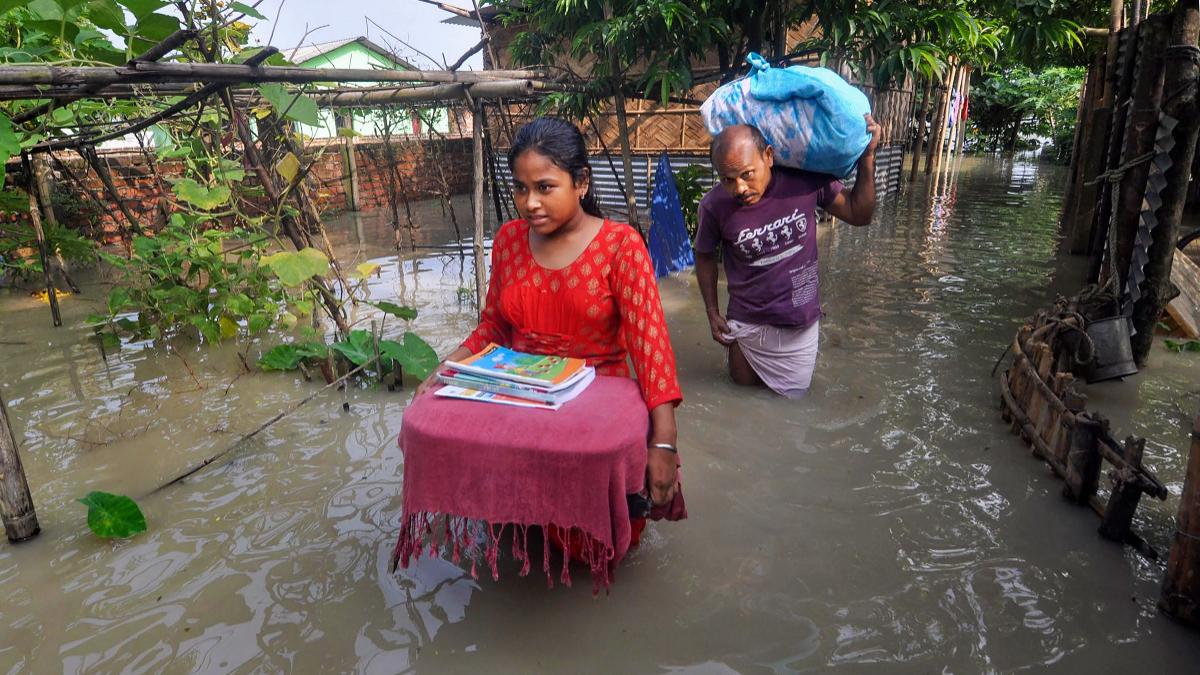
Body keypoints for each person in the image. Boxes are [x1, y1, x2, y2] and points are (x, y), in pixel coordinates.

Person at [417, 117, 682, 525]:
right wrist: (449, 367)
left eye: (545, 187)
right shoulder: (508, 240)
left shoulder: (620, 246)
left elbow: (651, 351)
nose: (530, 203)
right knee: (518, 525)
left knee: (589, 534)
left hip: (597, 410)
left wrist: (663, 443)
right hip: (521, 401)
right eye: (521, 188)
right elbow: (494, 327)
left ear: (582, 183)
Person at [693, 116, 880, 398]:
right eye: (727, 180)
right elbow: (704, 255)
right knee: (741, 404)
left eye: (747, 174)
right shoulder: (714, 206)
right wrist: (711, 311)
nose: (739, 188)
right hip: (747, 328)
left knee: (792, 412)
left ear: (768, 156)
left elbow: (859, 214)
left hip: (799, 329)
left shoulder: (804, 183)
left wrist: (868, 157)